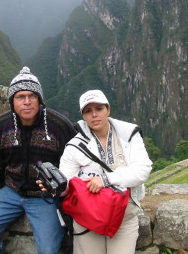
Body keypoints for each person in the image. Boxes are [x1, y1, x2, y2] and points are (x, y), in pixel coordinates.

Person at [0, 66, 77, 254]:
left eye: (32, 96)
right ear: (12, 101)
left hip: (45, 197)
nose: (27, 102)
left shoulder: (58, 125)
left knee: (48, 249)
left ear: (40, 99)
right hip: (10, 192)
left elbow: (77, 160)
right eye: (20, 97)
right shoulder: (1, 125)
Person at [59, 90, 152, 254]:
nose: (94, 115)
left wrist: (105, 179)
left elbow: (143, 169)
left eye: (99, 109)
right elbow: (66, 181)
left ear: (108, 109)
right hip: (88, 217)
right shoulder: (74, 146)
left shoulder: (129, 136)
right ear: (83, 115)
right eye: (88, 111)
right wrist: (55, 186)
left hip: (124, 216)